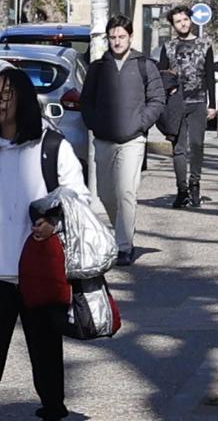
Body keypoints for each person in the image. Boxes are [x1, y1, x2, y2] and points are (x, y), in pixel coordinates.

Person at [0, 61, 90, 421]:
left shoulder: (53, 146)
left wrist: (53, 222)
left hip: (40, 267)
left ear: (25, 100)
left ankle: (52, 406)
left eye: (7, 95)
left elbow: (78, 196)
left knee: (45, 346)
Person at [80, 14, 165, 266]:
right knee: (106, 195)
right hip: (104, 139)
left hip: (132, 140)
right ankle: (122, 231)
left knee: (126, 191)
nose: (117, 42)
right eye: (113, 37)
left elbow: (157, 99)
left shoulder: (144, 65)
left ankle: (124, 245)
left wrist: (140, 124)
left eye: (121, 36)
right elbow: (86, 101)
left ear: (130, 36)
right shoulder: (97, 68)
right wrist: (94, 123)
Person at [157, 5, 217, 208]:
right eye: (178, 21)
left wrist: (212, 104)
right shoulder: (168, 47)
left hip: (198, 101)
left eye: (185, 19)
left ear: (190, 20)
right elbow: (161, 75)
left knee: (197, 145)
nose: (182, 24)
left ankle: (195, 184)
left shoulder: (205, 45)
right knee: (179, 149)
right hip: (176, 104)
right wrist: (165, 96)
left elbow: (209, 75)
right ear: (173, 25)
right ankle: (181, 189)